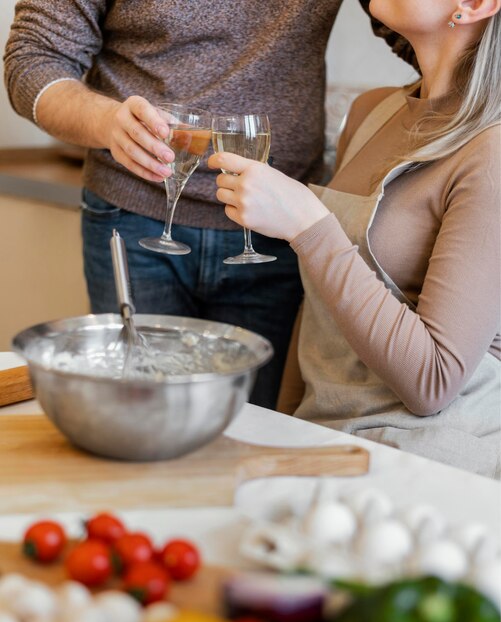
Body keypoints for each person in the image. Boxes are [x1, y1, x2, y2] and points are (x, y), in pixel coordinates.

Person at [3, 1, 416, 410]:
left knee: (254, 419)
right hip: (132, 217)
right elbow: (33, 58)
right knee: (141, 411)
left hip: (274, 229)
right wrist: (106, 122)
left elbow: (423, 25)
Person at [208, 0, 501, 477]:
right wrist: (287, 428)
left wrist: (309, 228)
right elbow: (321, 310)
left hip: (429, 465)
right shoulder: (372, 112)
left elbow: (433, 381)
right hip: (325, 438)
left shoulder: (491, 152)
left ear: (474, 6)